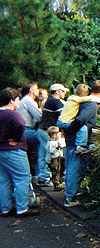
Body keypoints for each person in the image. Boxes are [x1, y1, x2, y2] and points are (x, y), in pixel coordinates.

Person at [63, 80, 100, 207]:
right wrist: (72, 130)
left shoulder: (85, 101)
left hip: (72, 139)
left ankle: (70, 195)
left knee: (73, 168)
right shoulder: (92, 105)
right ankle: (70, 198)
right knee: (75, 170)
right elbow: (81, 119)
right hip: (76, 141)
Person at [0, 87, 39, 217]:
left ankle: (5, 208)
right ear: (12, 100)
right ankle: (22, 208)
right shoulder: (12, 113)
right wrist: (16, 139)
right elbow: (21, 124)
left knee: (3, 179)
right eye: (17, 100)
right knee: (22, 177)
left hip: (1, 150)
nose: (19, 102)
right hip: (14, 150)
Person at [16, 81, 52, 185]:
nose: (37, 91)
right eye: (36, 89)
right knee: (44, 139)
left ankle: (38, 172)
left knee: (40, 141)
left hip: (25, 130)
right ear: (31, 90)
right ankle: (43, 175)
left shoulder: (25, 100)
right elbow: (39, 117)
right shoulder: (28, 101)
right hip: (25, 131)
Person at [57, 84, 100, 154]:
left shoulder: (71, 98)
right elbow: (80, 119)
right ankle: (80, 146)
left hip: (61, 121)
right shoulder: (76, 99)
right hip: (64, 122)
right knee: (83, 128)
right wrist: (97, 100)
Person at [46, 126, 65, 191]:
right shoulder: (51, 143)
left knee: (59, 169)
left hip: (57, 157)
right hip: (52, 159)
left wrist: (59, 138)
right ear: (54, 135)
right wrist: (56, 147)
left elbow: (63, 145)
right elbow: (51, 151)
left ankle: (59, 180)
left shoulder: (56, 141)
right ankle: (56, 183)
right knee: (55, 171)